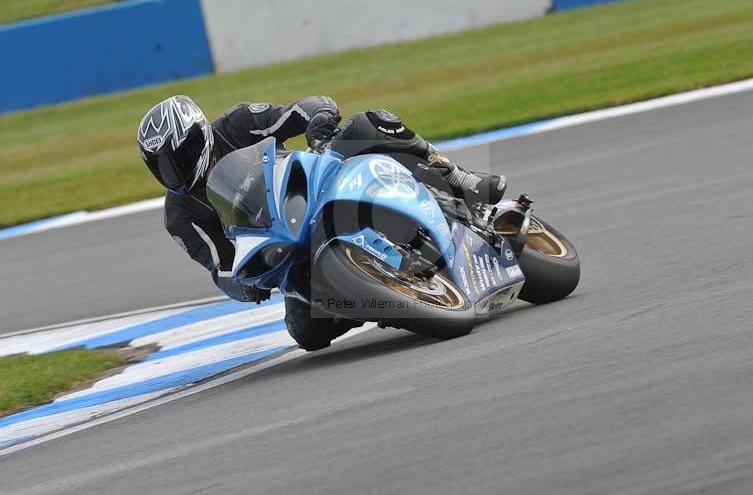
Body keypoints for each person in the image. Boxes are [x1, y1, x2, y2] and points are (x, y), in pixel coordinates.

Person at [137, 95, 505, 349]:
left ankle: (458, 178)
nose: (176, 170)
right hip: (286, 249)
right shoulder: (179, 217)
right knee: (306, 333)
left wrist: (319, 122)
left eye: (180, 155)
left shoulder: (236, 124)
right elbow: (219, 266)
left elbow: (307, 107)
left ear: (200, 135)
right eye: (163, 165)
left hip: (312, 188)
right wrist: (245, 286)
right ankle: (385, 294)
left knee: (368, 124)